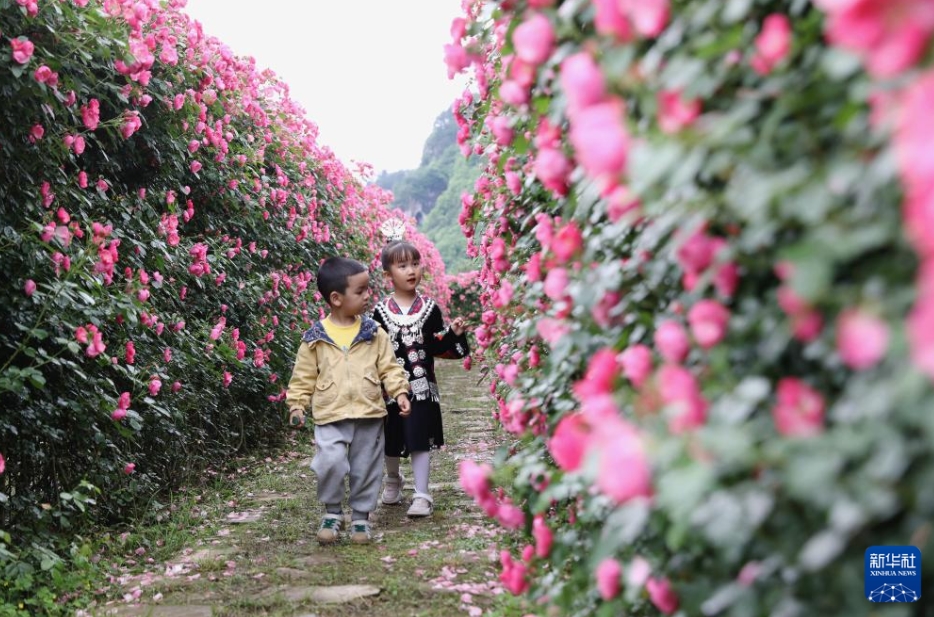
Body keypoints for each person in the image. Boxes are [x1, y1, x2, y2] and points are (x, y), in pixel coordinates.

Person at [286, 256, 411, 545]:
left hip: (369, 414)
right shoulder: (315, 338)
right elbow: (303, 376)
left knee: (366, 467)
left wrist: (400, 391)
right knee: (329, 462)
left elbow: (389, 368)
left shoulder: (373, 333)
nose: (368, 295)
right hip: (330, 415)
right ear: (336, 298)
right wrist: (297, 404)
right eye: (360, 291)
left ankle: (360, 518)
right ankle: (332, 512)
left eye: (368, 289)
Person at [372, 233, 469, 518]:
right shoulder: (379, 312)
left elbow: (437, 344)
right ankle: (392, 479)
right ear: (387, 273)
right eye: (402, 266)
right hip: (388, 389)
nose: (411, 270)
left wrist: (454, 334)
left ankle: (422, 494)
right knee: (389, 438)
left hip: (422, 387)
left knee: (418, 437)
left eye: (415, 263)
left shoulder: (430, 310)